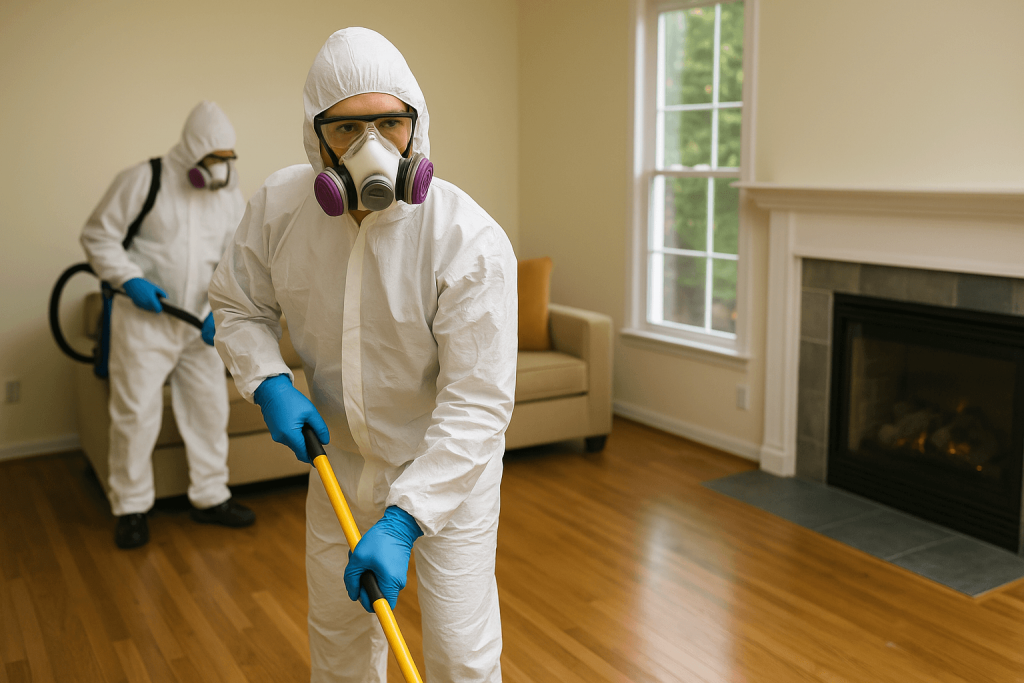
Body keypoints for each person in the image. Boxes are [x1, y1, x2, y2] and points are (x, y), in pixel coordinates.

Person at [208, 28, 517, 683]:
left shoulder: (467, 240)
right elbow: (235, 303)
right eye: (347, 129)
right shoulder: (279, 208)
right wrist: (267, 381)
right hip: (338, 470)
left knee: (462, 655)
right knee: (340, 645)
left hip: (447, 483)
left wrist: (406, 522)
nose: (371, 146)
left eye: (389, 123)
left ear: (417, 125)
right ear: (315, 136)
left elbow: (478, 402)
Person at [81, 101, 256, 550]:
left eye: (225, 160)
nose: (218, 169)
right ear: (193, 152)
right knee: (136, 414)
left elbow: (235, 258)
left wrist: (224, 307)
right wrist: (129, 279)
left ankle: (211, 497)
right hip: (144, 323)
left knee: (208, 410)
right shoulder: (144, 179)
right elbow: (97, 235)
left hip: (198, 324)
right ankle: (132, 508)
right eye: (212, 160)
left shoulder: (227, 193)